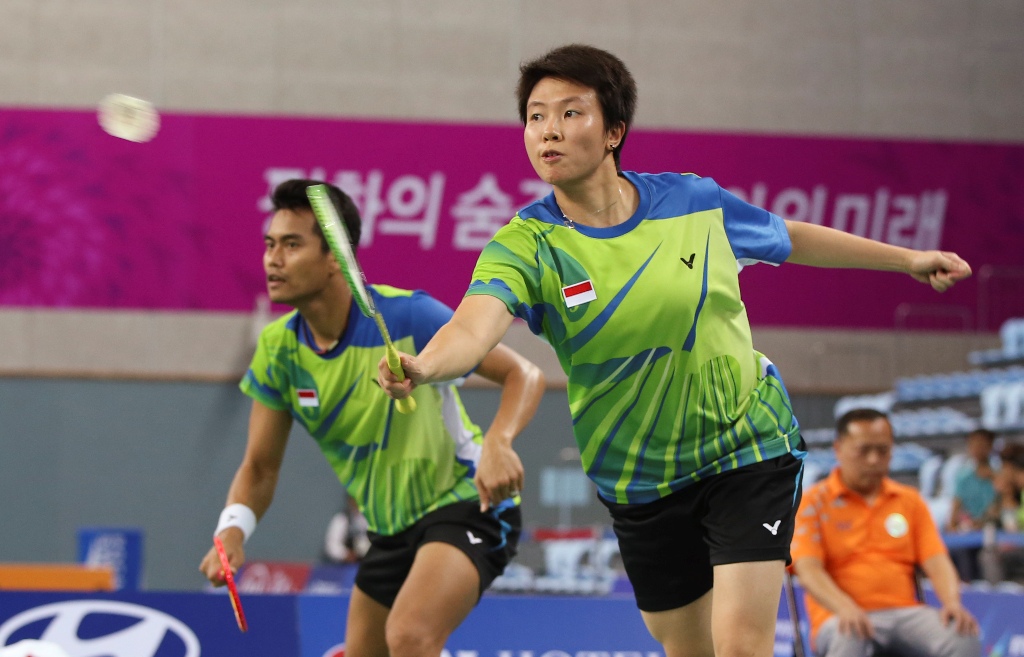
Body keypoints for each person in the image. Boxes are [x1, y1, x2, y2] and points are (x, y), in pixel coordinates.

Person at [377, 44, 972, 657]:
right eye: (535, 116)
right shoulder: (525, 245)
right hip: (639, 475)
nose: (548, 130)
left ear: (614, 132)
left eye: (570, 113)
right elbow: (474, 328)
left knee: (741, 646)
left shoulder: (693, 203)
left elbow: (787, 237)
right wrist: (424, 367)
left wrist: (907, 260)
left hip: (746, 446)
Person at [199, 179, 545, 657]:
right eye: (270, 244)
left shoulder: (409, 316)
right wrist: (232, 531)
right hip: (389, 529)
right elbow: (260, 467)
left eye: (292, 245)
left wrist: (500, 442)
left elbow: (523, 374)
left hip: (466, 503)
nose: (273, 259)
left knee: (409, 636)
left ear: (335, 258)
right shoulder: (279, 351)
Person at [791, 409, 980, 657]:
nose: (873, 460)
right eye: (863, 450)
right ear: (839, 448)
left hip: (906, 614)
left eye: (882, 451)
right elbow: (808, 570)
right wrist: (844, 607)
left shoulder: (910, 500)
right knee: (849, 635)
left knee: (962, 635)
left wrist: (952, 604)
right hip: (840, 616)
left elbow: (936, 560)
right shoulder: (812, 502)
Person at [946, 429, 1000, 582]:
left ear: (990, 447)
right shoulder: (963, 476)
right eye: (973, 445)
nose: (977, 449)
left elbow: (999, 507)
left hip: (993, 531)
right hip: (969, 530)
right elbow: (956, 505)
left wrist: (984, 522)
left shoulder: (999, 475)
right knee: (960, 550)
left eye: (982, 445)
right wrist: (953, 526)